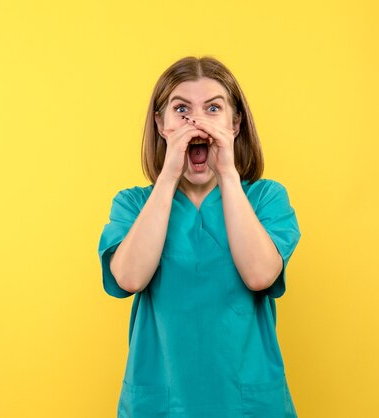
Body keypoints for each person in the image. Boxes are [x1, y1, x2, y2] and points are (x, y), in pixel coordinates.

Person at [98, 55, 301, 418]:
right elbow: (129, 277)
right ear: (161, 124)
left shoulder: (266, 199)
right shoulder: (132, 204)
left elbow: (260, 274)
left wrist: (228, 172)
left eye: (213, 108)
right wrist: (168, 176)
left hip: (249, 406)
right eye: (181, 109)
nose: (197, 121)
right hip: (160, 405)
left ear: (235, 123)